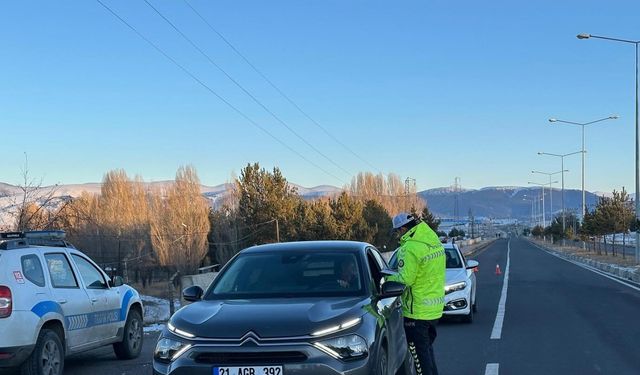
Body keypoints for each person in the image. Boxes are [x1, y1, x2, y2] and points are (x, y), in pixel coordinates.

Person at [386, 212, 446, 375]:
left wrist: (386, 278)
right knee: (427, 352)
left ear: (404, 229)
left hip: (416, 313)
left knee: (419, 358)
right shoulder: (432, 241)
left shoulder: (410, 247)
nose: (398, 236)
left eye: (398, 232)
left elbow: (405, 279)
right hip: (434, 310)